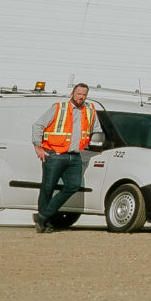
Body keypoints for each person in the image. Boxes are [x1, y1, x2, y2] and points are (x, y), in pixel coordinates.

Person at [36, 83, 100, 234]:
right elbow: (37, 126)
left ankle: (43, 215)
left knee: (73, 186)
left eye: (84, 95)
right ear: (72, 93)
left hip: (75, 156)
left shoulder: (90, 110)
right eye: (79, 94)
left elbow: (97, 131)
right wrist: (38, 147)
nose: (81, 97)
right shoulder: (59, 108)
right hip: (54, 155)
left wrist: (99, 145)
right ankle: (44, 223)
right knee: (48, 188)